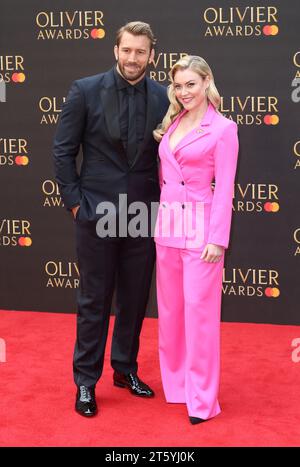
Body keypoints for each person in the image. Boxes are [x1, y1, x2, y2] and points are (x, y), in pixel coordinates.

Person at [53, 21, 169, 417]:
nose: (133, 58)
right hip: (96, 212)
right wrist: (74, 203)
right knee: (94, 300)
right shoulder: (85, 91)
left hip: (143, 214)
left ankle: (124, 368)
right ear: (115, 51)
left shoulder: (163, 96)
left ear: (151, 55)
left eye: (141, 51)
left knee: (135, 299)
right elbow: (63, 151)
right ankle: (86, 381)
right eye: (127, 50)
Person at [153, 56, 239, 424]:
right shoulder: (172, 123)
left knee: (200, 317)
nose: (184, 91)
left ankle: (202, 401)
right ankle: (177, 387)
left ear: (206, 82)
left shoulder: (223, 128)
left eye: (191, 84)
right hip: (168, 228)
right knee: (171, 313)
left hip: (202, 230)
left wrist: (217, 239)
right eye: (178, 85)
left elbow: (225, 189)